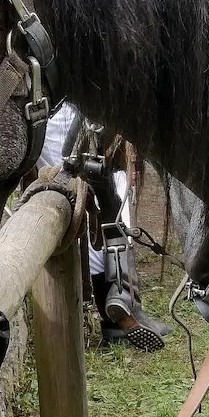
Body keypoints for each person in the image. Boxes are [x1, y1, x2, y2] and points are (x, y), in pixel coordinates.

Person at [38, 103, 174, 351]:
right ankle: (117, 315)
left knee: (111, 191)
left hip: (74, 104)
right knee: (83, 195)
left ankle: (126, 305)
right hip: (60, 108)